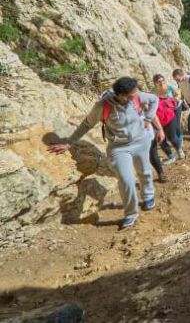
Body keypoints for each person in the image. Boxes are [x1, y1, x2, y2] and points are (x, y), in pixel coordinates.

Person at [47, 77, 160, 229]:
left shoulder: (137, 96)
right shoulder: (103, 106)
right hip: (119, 148)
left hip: (141, 141)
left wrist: (148, 118)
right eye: (133, 95)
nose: (137, 96)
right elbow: (87, 124)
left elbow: (154, 99)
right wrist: (69, 142)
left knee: (144, 172)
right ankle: (131, 213)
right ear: (122, 95)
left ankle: (148, 196)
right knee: (126, 180)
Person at [153, 74, 185, 159]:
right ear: (155, 83)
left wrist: (177, 98)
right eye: (159, 81)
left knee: (176, 127)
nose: (161, 83)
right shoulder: (153, 91)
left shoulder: (170, 87)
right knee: (165, 135)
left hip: (175, 108)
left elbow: (178, 94)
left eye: (162, 80)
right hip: (163, 111)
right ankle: (175, 149)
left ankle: (180, 144)